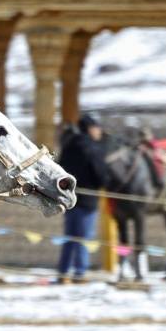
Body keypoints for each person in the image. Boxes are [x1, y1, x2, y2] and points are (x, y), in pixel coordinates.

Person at [56, 113, 110, 282]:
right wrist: (104, 183)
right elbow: (100, 174)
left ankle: (63, 272)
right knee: (83, 238)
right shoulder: (92, 148)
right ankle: (80, 272)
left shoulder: (68, 145)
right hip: (88, 200)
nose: (99, 131)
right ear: (89, 129)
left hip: (69, 199)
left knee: (69, 237)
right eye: (96, 127)